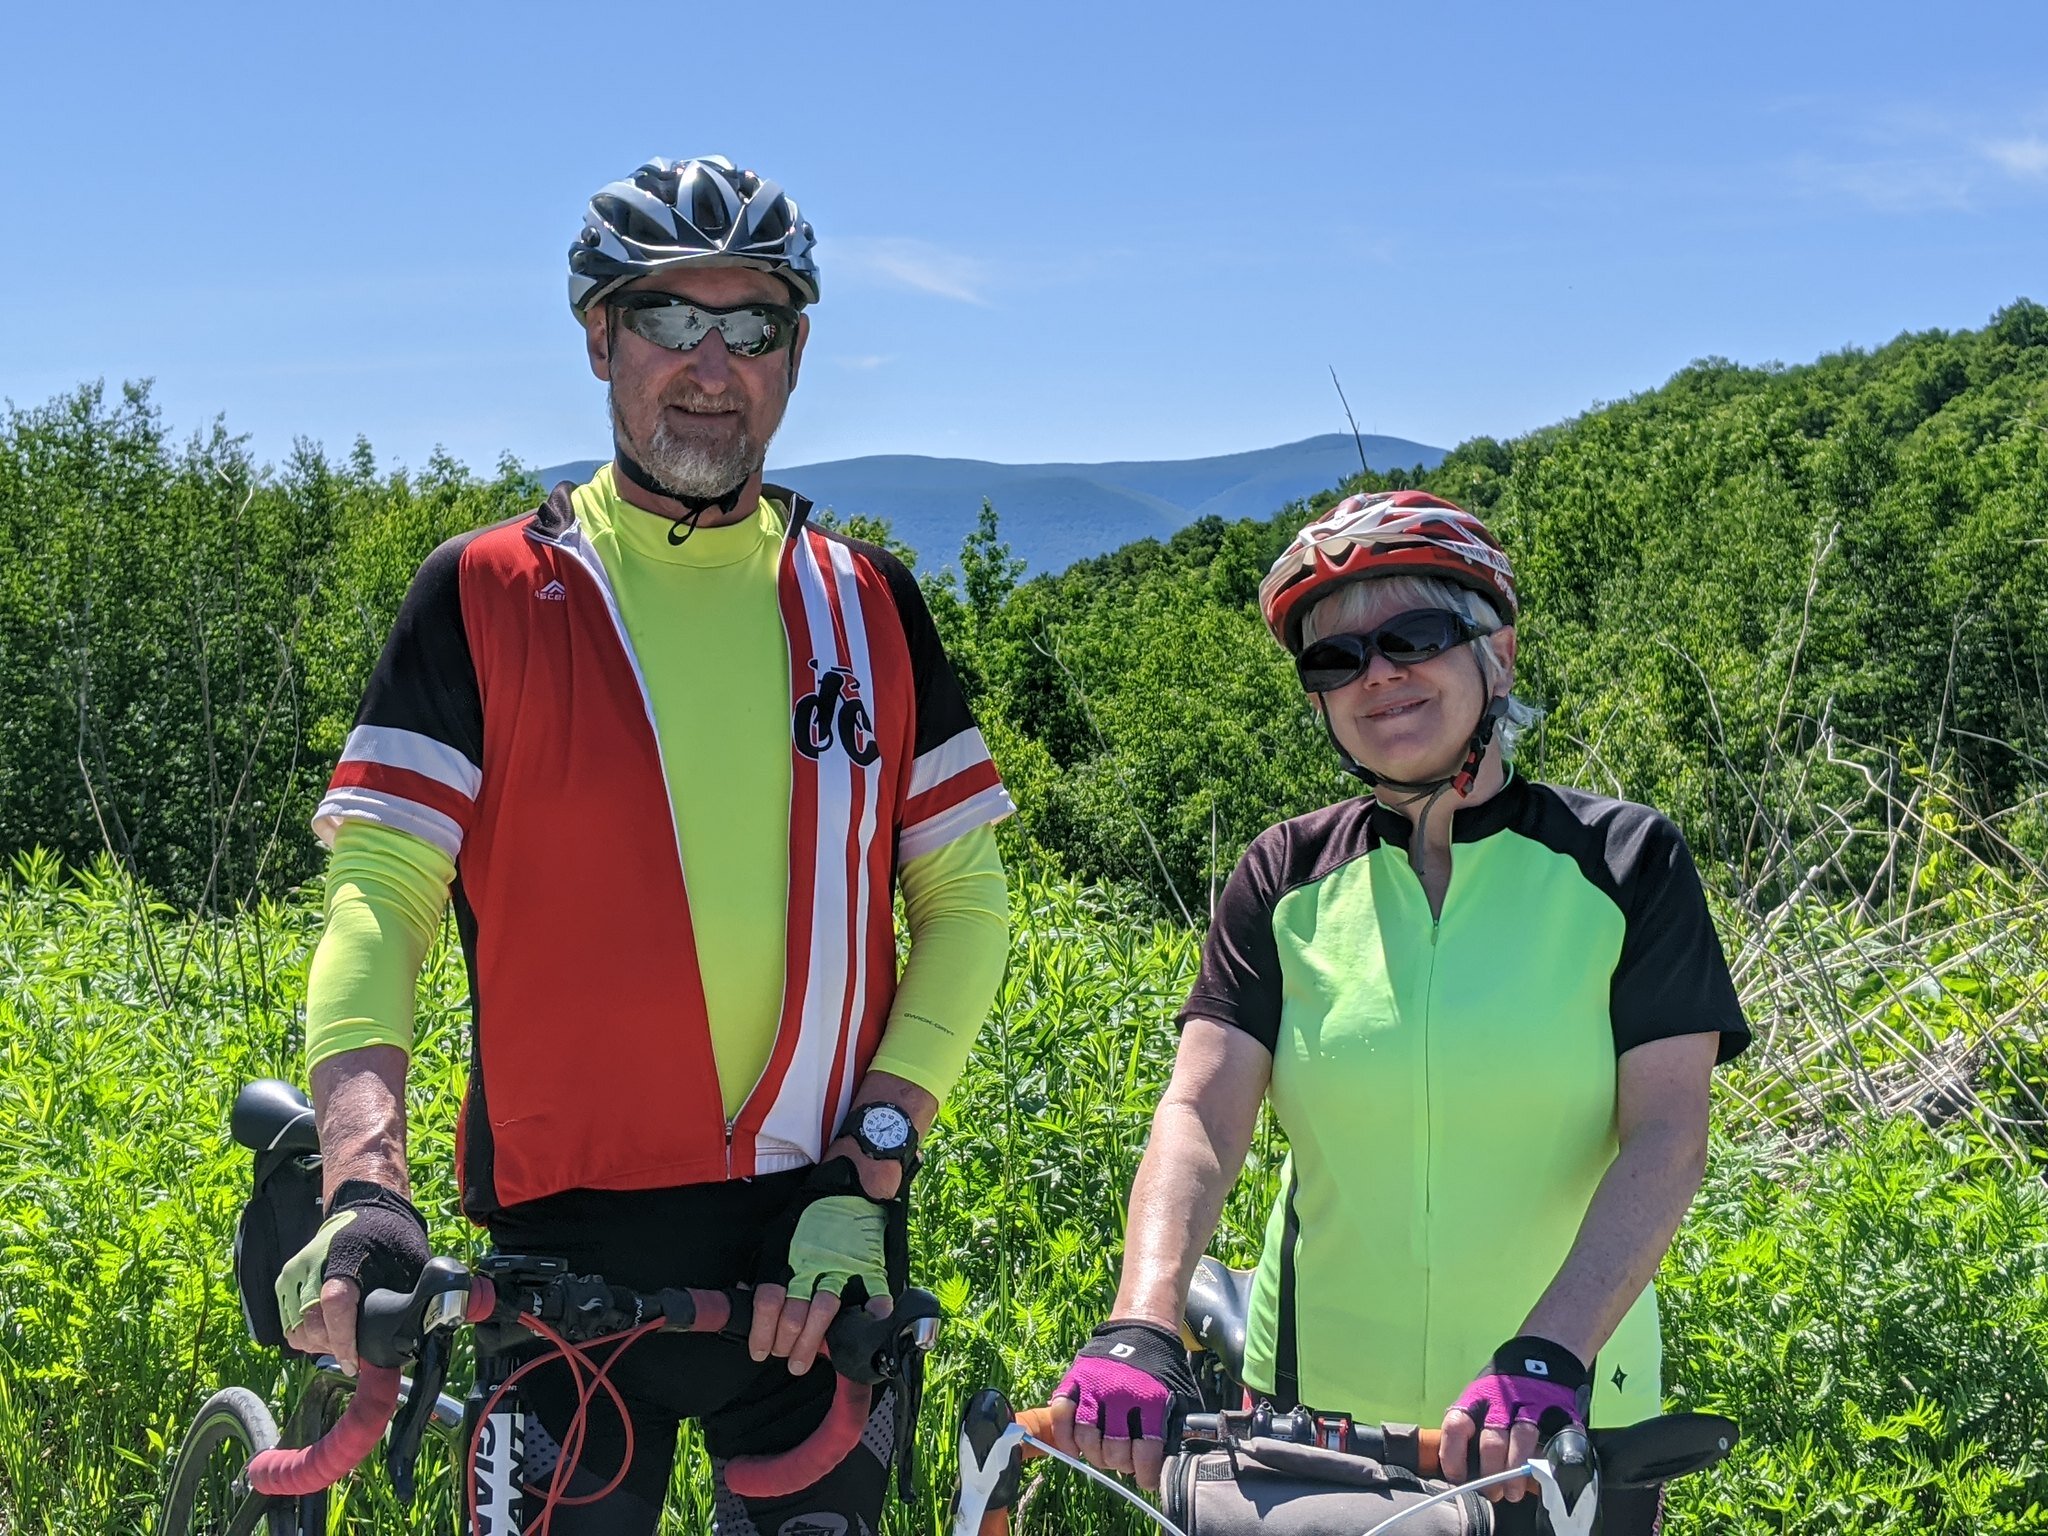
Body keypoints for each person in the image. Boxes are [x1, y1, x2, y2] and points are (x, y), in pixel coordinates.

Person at [273, 155, 1014, 1535]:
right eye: (671, 318)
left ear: (798, 353)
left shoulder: (870, 606)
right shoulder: (490, 592)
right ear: (600, 338)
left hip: (817, 1251)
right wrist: (365, 1174)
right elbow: (382, 895)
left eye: (755, 324)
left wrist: (876, 1151)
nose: (712, 365)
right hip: (562, 1263)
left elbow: (965, 899)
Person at [1051, 490, 1750, 1533]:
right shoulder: (1280, 875)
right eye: (1333, 660)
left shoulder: (1623, 863)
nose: (1376, 673)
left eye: (1412, 636)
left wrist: (1548, 1350)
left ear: (1496, 656)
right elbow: (1200, 1112)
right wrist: (1138, 1321)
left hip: (1557, 1408)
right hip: (1311, 1425)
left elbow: (1665, 1134)